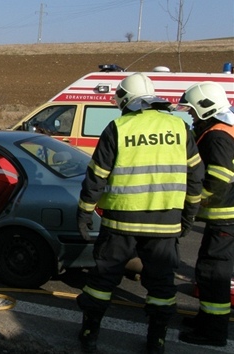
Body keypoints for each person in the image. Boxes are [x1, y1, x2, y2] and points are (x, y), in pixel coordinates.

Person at [75, 73, 204, 354]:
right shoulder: (179, 128)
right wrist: (188, 217)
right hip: (165, 223)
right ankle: (156, 340)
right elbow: (196, 177)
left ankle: (89, 334)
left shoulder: (118, 127)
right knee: (161, 285)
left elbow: (97, 175)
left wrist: (84, 212)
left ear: (125, 99)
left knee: (103, 280)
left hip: (121, 220)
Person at [175, 81, 234, 347]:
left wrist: (195, 203)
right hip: (224, 218)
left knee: (213, 273)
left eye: (192, 110)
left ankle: (213, 333)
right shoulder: (222, 129)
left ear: (206, 107)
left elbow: (219, 180)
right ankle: (206, 320)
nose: (189, 114)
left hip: (225, 218)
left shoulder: (217, 135)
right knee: (208, 269)